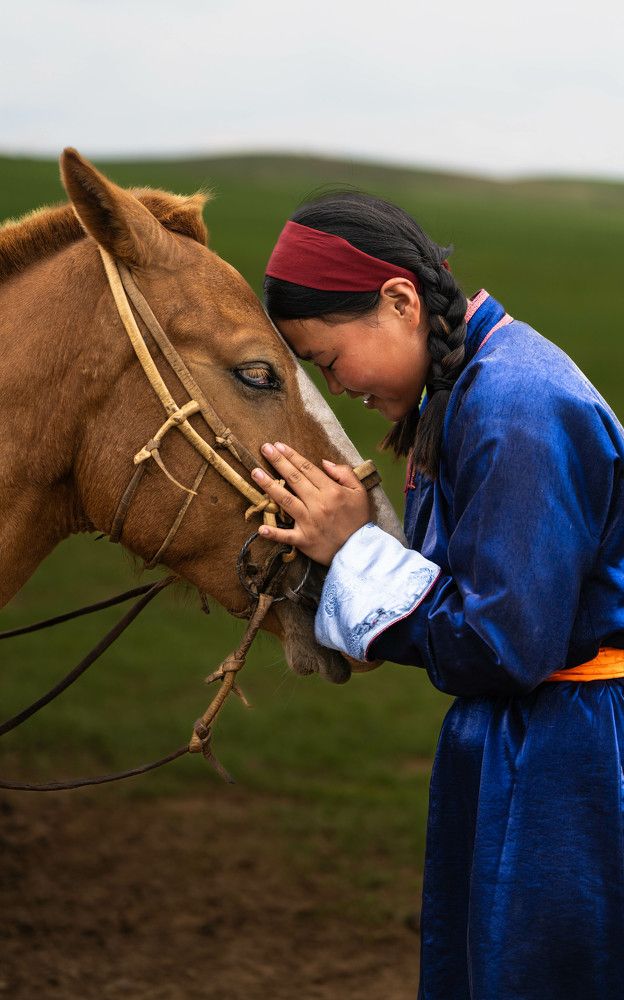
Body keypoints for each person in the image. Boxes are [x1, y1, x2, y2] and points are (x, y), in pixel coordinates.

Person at [249, 191, 624, 1000]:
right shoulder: (469, 390)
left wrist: (356, 553)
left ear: (399, 301)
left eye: (327, 358)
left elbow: (505, 644)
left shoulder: (518, 404)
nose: (334, 384)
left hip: (570, 760)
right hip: (524, 740)